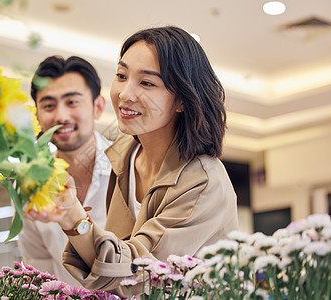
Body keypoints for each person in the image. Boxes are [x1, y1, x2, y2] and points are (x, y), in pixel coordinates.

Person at [24, 26, 239, 297]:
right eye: (121, 76)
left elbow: (138, 273)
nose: (125, 93)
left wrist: (72, 215)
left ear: (182, 100)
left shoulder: (202, 181)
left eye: (147, 83)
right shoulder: (124, 156)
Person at [18, 56, 112, 286]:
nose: (60, 116)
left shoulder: (131, 167)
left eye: (72, 102)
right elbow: (38, 267)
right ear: (37, 115)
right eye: (49, 105)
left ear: (98, 106)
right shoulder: (29, 182)